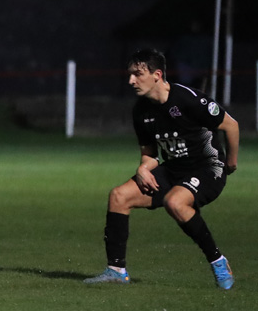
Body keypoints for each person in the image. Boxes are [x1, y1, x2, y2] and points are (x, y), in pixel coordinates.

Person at [84, 48, 238, 289]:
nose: (131, 80)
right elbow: (150, 154)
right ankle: (116, 271)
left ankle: (218, 261)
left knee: (175, 202)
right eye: (130, 74)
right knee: (119, 196)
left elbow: (231, 125)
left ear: (156, 75)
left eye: (137, 74)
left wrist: (230, 162)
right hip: (174, 168)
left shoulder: (188, 99)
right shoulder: (141, 110)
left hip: (208, 168)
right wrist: (143, 168)